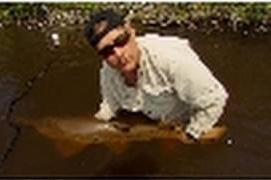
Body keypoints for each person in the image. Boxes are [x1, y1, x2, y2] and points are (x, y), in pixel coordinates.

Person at [83, 9, 229, 143]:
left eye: (121, 40)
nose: (119, 54)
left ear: (132, 31)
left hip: (186, 121)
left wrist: (191, 134)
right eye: (107, 52)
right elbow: (110, 105)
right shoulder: (108, 71)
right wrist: (92, 129)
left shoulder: (170, 59)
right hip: (155, 123)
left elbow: (215, 99)